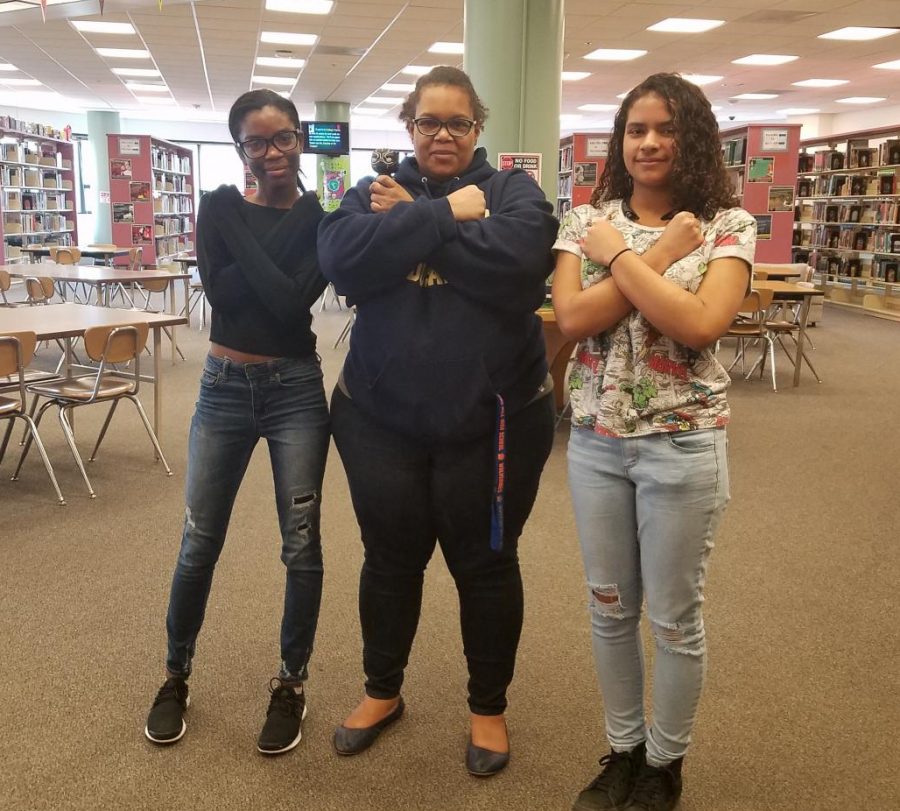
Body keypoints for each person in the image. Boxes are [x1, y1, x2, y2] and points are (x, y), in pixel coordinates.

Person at [317, 66, 558, 777]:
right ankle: (381, 692)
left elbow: (519, 270)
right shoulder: (367, 193)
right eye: (429, 122)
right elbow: (342, 263)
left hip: (495, 421)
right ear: (409, 128)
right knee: (388, 561)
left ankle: (488, 706)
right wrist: (448, 217)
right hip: (378, 418)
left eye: (458, 122)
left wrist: (409, 230)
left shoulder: (512, 191)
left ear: (479, 128)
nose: (443, 135)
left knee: (485, 566)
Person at [551, 73, 756, 811]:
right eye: (635, 129)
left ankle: (664, 764)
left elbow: (700, 325)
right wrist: (660, 257)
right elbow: (573, 318)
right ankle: (625, 749)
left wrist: (641, 254)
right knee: (609, 607)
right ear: (620, 140)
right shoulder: (585, 220)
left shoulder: (727, 223)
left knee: (672, 616)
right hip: (599, 445)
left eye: (665, 128)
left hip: (683, 445)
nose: (648, 142)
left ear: (692, 135)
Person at [144, 89, 330, 756]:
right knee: (198, 539)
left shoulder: (314, 217)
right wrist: (249, 242)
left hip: (295, 391)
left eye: (283, 138)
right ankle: (174, 674)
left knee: (301, 541)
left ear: (300, 138)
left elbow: (288, 302)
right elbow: (222, 298)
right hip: (222, 387)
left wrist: (232, 226)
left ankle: (291, 682)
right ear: (240, 147)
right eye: (257, 141)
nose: (272, 152)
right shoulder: (231, 207)